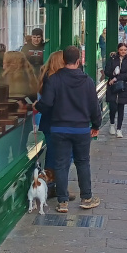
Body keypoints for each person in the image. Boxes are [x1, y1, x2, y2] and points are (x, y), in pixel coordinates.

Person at [35, 45, 101, 213]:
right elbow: (95, 107)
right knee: (83, 162)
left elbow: (47, 104)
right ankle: (86, 198)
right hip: (80, 129)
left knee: (61, 164)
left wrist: (38, 105)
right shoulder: (87, 81)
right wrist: (96, 125)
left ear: (63, 61)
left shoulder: (54, 79)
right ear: (79, 61)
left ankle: (62, 202)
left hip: (59, 129)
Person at [37, 50, 69, 199]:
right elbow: (48, 103)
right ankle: (52, 188)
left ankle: (53, 186)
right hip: (55, 122)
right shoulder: (53, 79)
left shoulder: (47, 77)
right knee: (59, 157)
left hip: (51, 122)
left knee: (54, 155)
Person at [105, 43, 127, 138]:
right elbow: (107, 71)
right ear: (118, 50)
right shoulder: (113, 59)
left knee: (121, 108)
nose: (123, 51)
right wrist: (113, 73)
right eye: (121, 49)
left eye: (124, 50)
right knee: (113, 107)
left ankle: (119, 128)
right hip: (112, 87)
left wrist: (115, 78)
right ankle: (112, 124)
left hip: (123, 86)